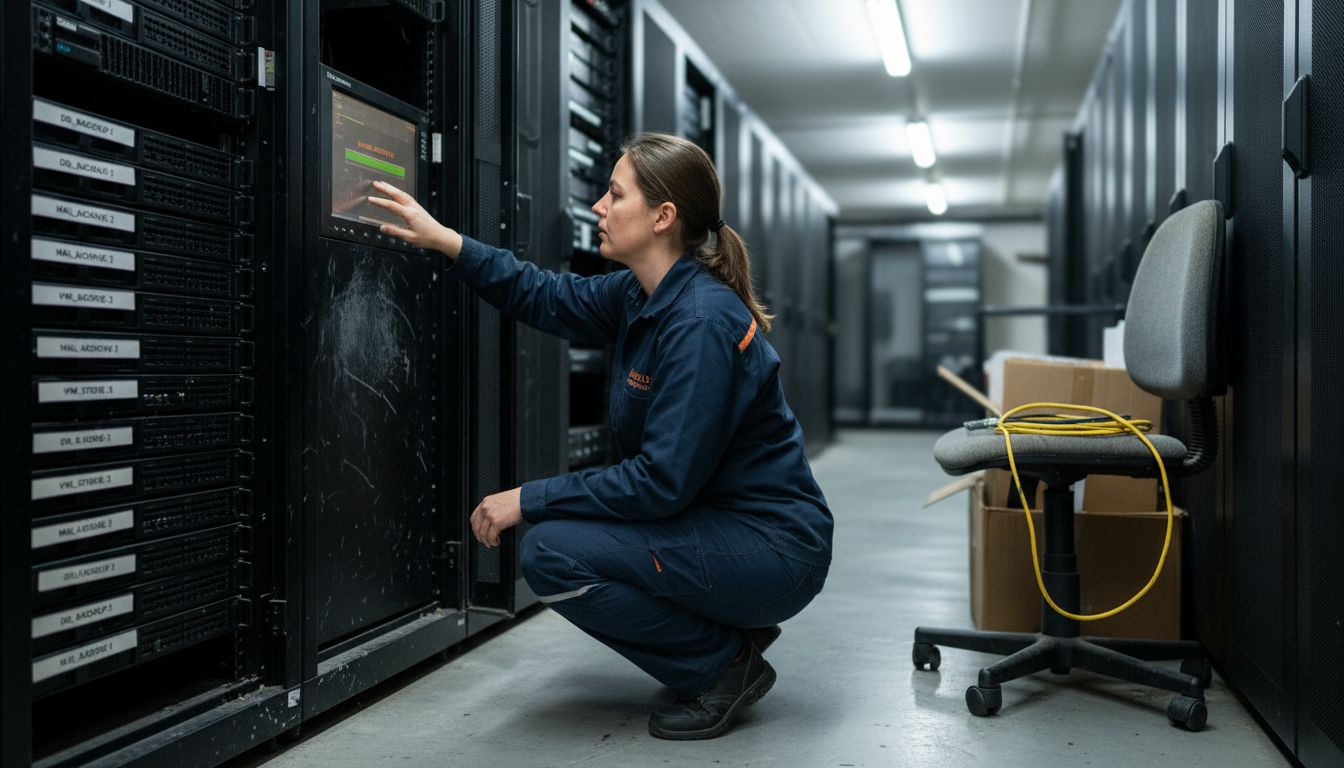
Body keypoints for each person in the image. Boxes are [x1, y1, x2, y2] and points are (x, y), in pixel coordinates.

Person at [368, 132, 833, 740]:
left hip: (775, 551)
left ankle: (724, 666)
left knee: (552, 552)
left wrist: (526, 498)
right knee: (567, 540)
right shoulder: (643, 293)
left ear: (664, 217)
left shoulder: (700, 324)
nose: (598, 208)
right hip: (721, 525)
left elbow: (660, 482)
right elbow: (546, 294)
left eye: (615, 194)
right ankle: (724, 635)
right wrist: (448, 242)